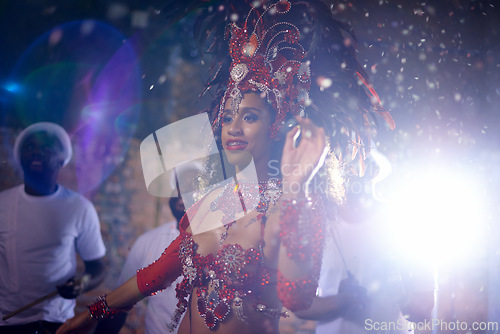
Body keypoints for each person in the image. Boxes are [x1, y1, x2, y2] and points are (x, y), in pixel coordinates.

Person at [57, 1, 394, 333]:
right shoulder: (214, 199)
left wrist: (298, 188)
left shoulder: (290, 204)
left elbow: (297, 296)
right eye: (228, 116)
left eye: (249, 116)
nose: (233, 127)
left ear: (275, 126)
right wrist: (95, 311)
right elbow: (160, 271)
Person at [0, 122, 107, 333]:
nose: (37, 152)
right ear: (20, 158)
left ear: (61, 160)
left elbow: (97, 267)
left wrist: (83, 283)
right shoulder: (2, 204)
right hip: (8, 323)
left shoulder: (79, 207)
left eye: (47, 148)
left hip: (56, 322)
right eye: (30, 147)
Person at [295, 173, 435, 334]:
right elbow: (299, 306)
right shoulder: (317, 223)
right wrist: (340, 302)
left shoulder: (407, 223)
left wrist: (398, 286)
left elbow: (423, 314)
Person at [94, 162, 203, 334]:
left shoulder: (215, 243)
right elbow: (121, 301)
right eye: (177, 187)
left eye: (191, 187)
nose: (181, 194)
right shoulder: (148, 241)